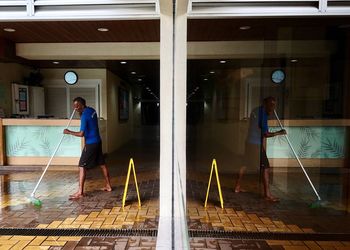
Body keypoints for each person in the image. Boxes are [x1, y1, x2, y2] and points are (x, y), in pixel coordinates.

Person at [234, 96, 286, 202]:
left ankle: (237, 187)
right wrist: (279, 133)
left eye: (274, 105)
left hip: (249, 142)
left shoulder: (255, 110)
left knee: (245, 164)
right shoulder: (263, 115)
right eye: (271, 105)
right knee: (265, 168)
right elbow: (265, 134)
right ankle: (267, 194)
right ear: (265, 104)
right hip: (255, 145)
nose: (273, 108)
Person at [64, 97, 112, 199]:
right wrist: (85, 144)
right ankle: (108, 186)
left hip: (91, 144)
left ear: (82, 105)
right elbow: (91, 128)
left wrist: (69, 132)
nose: (75, 108)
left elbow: (81, 134)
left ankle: (80, 192)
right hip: (97, 141)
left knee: (82, 166)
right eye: (74, 106)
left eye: (77, 106)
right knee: (102, 164)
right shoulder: (92, 110)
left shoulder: (84, 116)